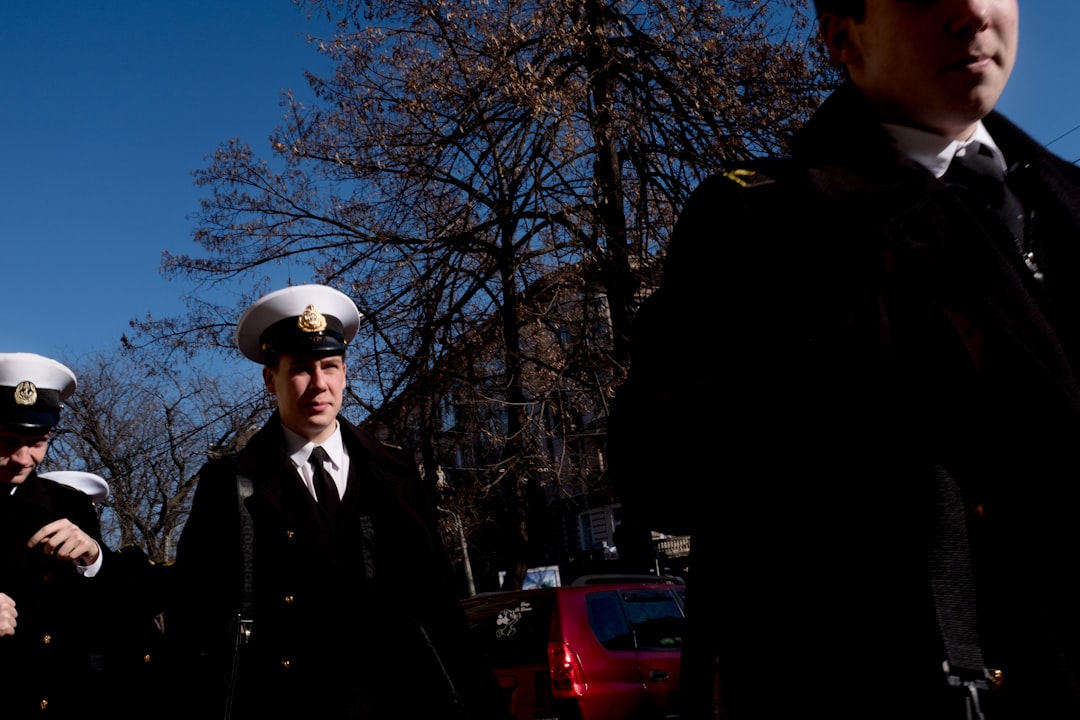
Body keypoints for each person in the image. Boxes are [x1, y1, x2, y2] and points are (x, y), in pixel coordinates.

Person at [609, 1, 1080, 718]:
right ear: (840, 35)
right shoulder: (761, 224)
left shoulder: (1067, 200)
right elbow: (660, 476)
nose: (974, 14)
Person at [165, 284, 509, 719]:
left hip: (394, 704)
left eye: (330, 366)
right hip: (282, 707)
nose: (319, 384)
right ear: (270, 379)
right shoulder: (230, 482)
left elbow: (440, 609)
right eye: (301, 369)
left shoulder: (395, 474)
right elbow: (194, 616)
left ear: (346, 373)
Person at [0, 353, 109, 716]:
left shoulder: (70, 506)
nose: (23, 458)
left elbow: (110, 615)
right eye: (7, 440)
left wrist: (94, 559)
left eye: (38, 442)